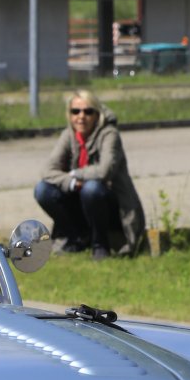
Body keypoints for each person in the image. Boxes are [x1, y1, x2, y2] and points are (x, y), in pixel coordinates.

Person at [33, 90, 145, 261]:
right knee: (43, 190)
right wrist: (71, 182)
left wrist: (76, 173)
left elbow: (104, 170)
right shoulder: (68, 135)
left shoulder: (110, 134)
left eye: (88, 111)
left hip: (111, 205)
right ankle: (77, 236)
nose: (81, 116)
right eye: (75, 111)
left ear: (97, 114)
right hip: (81, 200)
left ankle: (100, 244)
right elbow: (47, 170)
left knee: (91, 189)